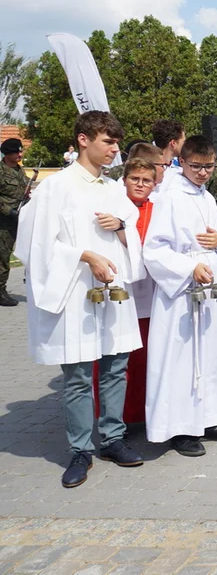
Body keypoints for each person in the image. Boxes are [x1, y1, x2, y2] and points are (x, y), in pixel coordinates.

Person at [17, 111, 145, 487]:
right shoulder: (57, 188)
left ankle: (113, 439)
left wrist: (121, 228)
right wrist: (85, 256)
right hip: (75, 292)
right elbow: (35, 245)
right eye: (109, 141)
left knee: (115, 366)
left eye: (117, 142)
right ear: (83, 140)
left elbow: (132, 236)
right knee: (76, 374)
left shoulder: (112, 188)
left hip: (111, 293)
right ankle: (79, 449)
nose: (115, 149)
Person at [143, 135, 217, 457]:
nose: (203, 173)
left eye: (209, 167)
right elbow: (154, 249)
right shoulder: (169, 197)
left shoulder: (208, 198)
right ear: (182, 162)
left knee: (216, 354)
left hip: (212, 287)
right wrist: (189, 268)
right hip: (183, 291)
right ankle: (181, 428)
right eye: (196, 167)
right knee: (183, 359)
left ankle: (211, 419)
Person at [115, 157, 158, 427]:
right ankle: (116, 418)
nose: (140, 184)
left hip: (148, 296)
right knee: (117, 363)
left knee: (143, 362)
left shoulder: (159, 210)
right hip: (119, 294)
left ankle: (140, 415)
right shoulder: (114, 208)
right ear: (124, 180)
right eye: (135, 179)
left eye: (146, 180)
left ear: (154, 184)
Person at [0, 137, 29, 306]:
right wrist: (7, 211)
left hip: (18, 220)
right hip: (3, 222)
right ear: (7, 154)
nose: (20, 154)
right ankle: (1, 291)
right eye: (17, 152)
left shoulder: (19, 170)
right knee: (2, 258)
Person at [150, 119, 186, 190]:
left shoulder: (180, 171)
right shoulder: (148, 171)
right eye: (183, 141)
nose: (185, 145)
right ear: (173, 143)